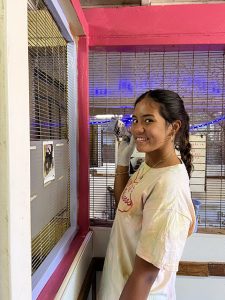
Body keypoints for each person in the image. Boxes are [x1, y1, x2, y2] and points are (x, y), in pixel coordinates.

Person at [98, 89, 196, 300]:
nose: (136, 129)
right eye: (135, 119)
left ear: (173, 127)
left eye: (148, 120)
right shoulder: (150, 165)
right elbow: (124, 205)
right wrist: (123, 162)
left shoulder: (169, 185)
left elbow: (145, 275)